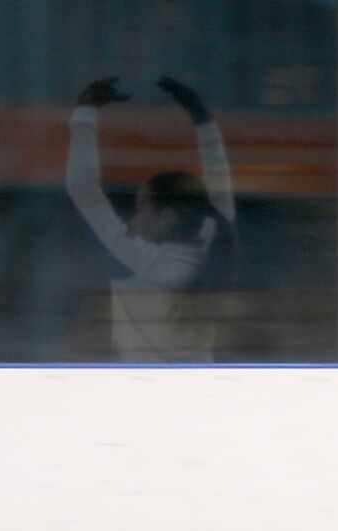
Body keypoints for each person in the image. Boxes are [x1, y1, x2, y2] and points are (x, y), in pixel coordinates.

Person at [66, 76, 238, 362]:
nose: (134, 218)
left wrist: (85, 110)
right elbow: (219, 191)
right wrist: (201, 118)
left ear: (167, 218)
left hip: (143, 386)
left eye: (141, 208)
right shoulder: (212, 245)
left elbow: (82, 189)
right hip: (202, 382)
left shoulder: (140, 260)